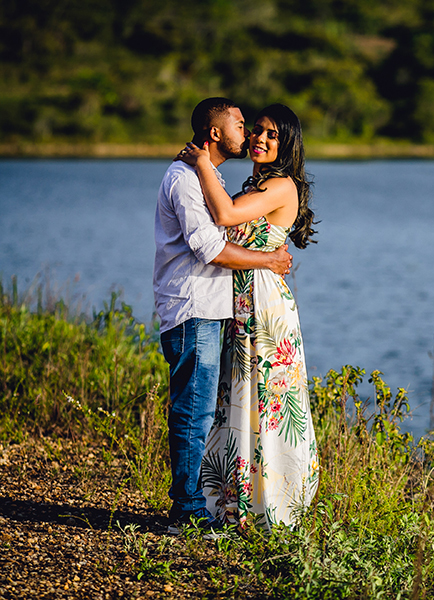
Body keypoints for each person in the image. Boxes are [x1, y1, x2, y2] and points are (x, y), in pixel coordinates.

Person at [153, 97, 293, 534]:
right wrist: (269, 260)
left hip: (217, 310)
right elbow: (210, 248)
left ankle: (215, 502)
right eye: (241, 124)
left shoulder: (209, 176)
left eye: (264, 131)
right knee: (194, 411)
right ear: (215, 133)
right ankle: (187, 511)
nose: (248, 133)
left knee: (208, 410)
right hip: (193, 307)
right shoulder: (187, 178)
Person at [177, 103, 319, 528]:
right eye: (257, 130)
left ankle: (273, 507)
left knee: (267, 400)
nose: (260, 138)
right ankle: (235, 502)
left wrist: (202, 162)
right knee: (240, 397)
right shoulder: (254, 185)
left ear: (287, 143)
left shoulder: (282, 186)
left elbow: (224, 215)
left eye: (272, 134)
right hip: (240, 301)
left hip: (264, 304)